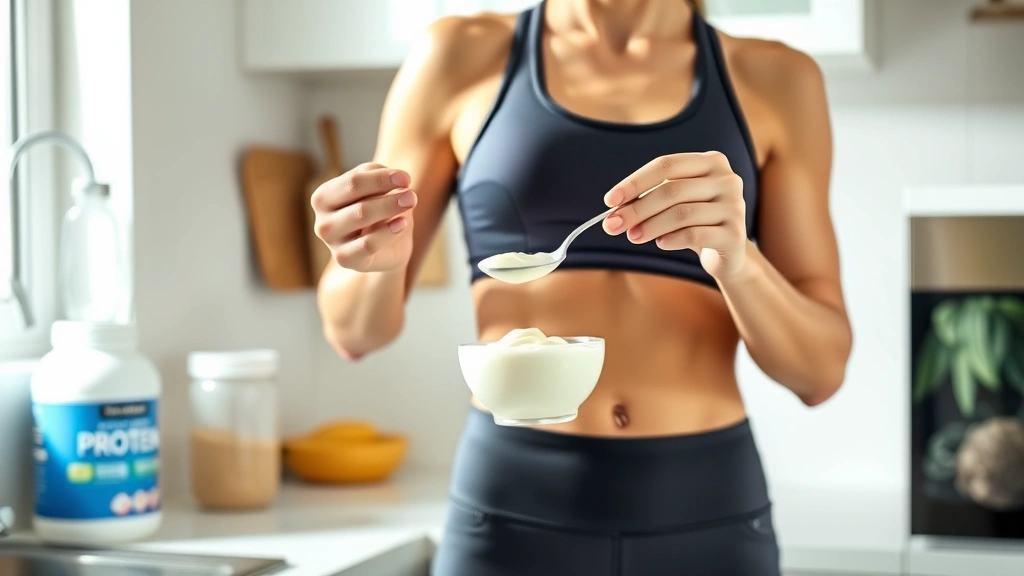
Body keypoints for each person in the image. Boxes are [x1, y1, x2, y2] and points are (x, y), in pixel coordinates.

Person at [312, 0, 853, 573]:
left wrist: (740, 262)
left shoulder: (778, 79)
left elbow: (820, 372)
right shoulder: (457, 55)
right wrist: (372, 257)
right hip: (510, 506)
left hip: (707, 506)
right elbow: (353, 333)